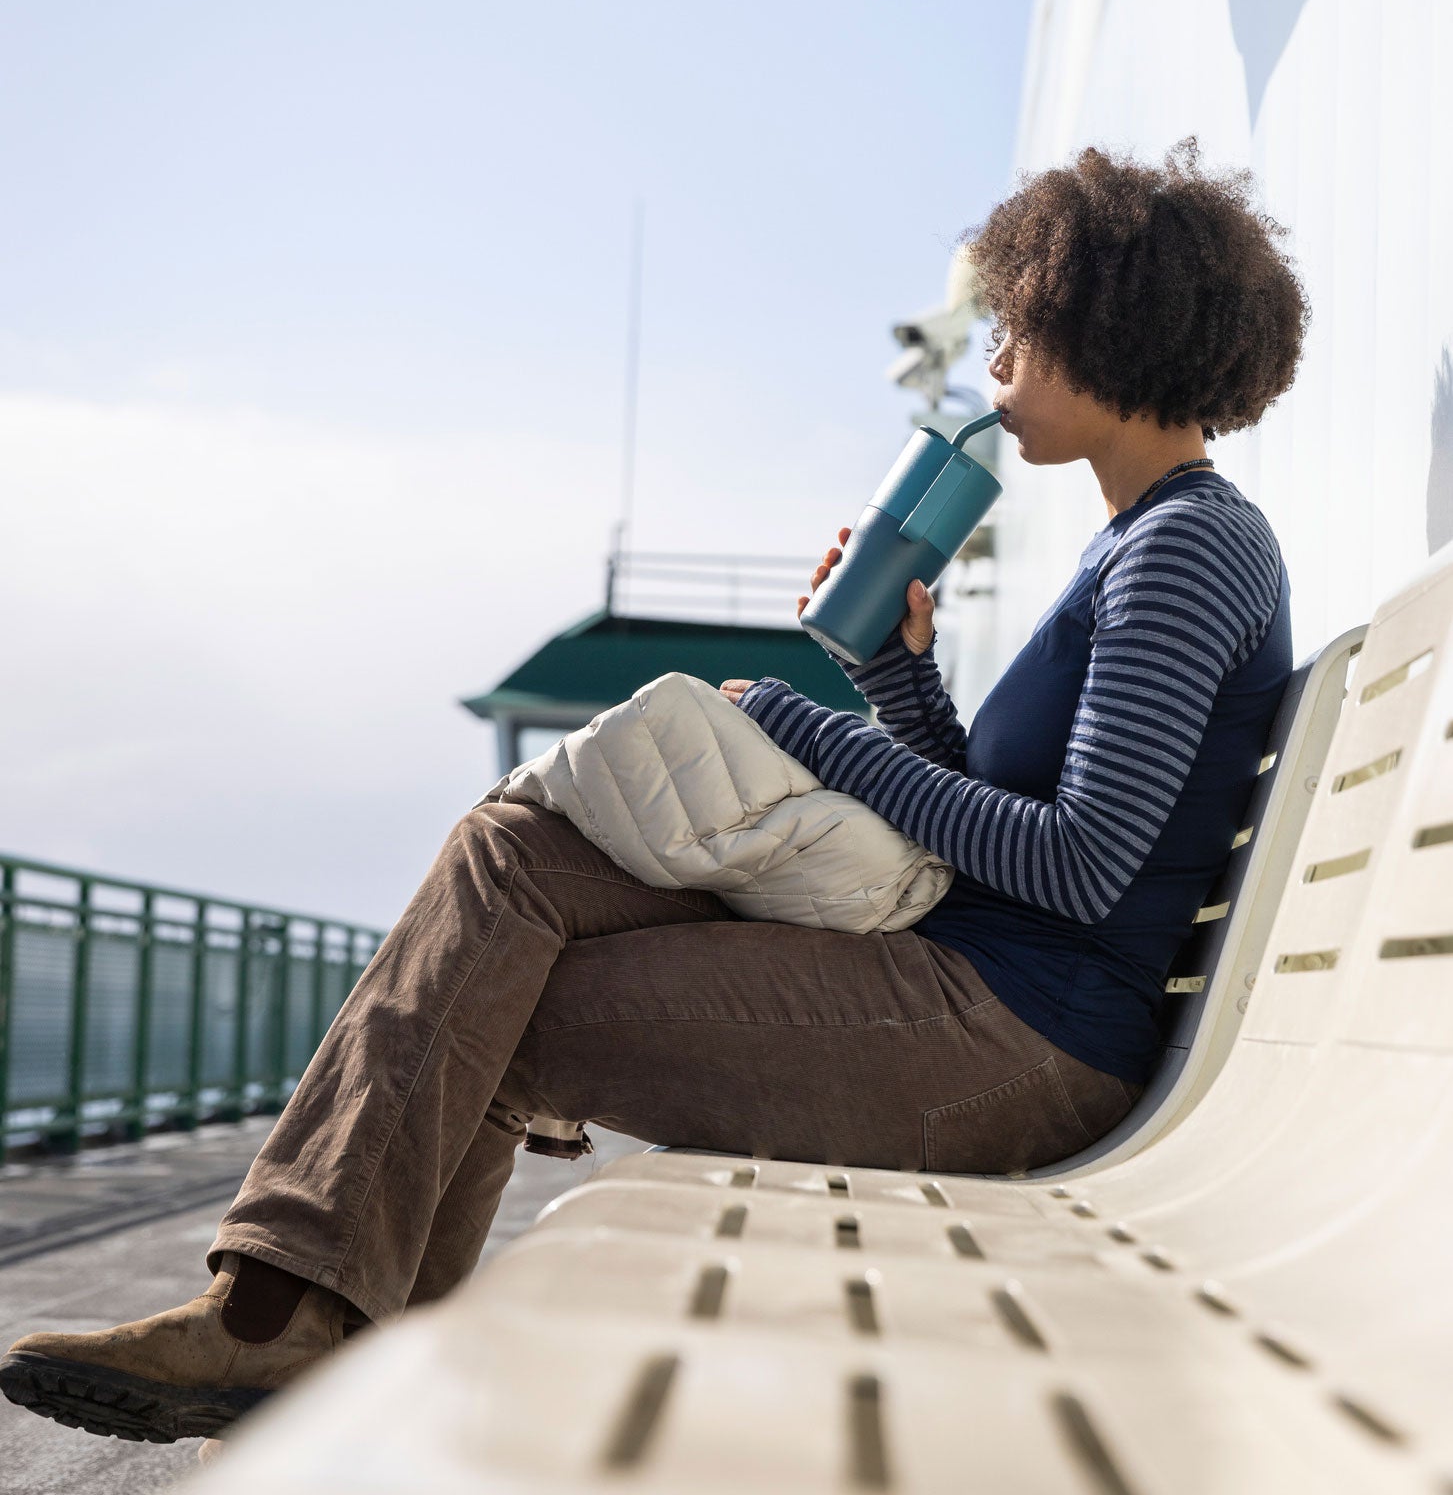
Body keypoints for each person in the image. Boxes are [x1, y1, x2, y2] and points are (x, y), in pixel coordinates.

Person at [0, 136, 1308, 1447]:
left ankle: (302, 1339)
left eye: (1019, 330)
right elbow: (1001, 819)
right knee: (507, 859)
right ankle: (284, 1321)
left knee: (494, 997)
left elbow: (1077, 865)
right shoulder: (1143, 543)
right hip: (973, 985)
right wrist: (889, 676)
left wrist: (810, 730)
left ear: (1107, 331)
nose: (996, 366)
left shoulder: (1185, 547)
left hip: (1022, 1045)